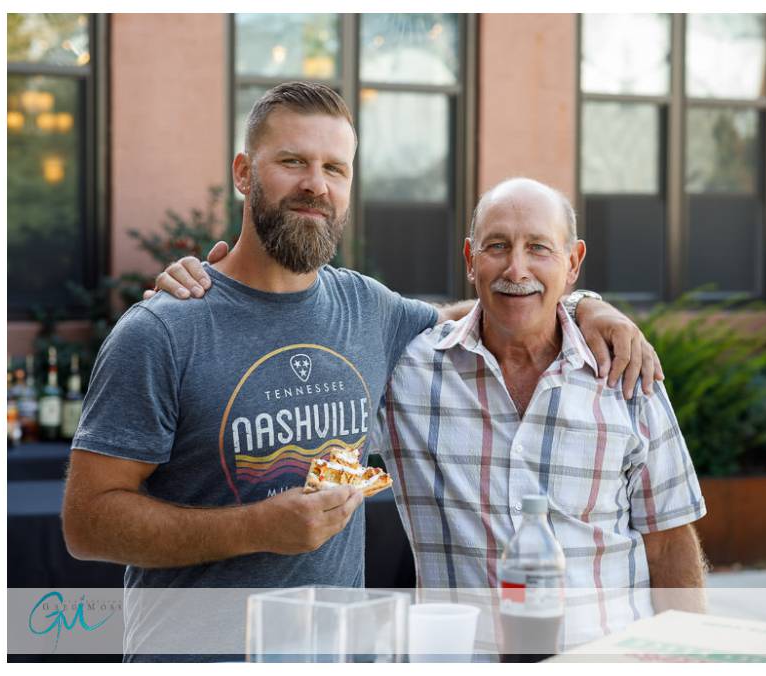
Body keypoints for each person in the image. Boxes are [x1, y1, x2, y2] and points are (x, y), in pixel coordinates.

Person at [62, 82, 661, 660]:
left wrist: (584, 306)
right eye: (292, 162)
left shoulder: (368, 309)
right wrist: (255, 529)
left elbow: (485, 314)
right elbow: (86, 524)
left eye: (335, 168)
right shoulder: (162, 331)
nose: (315, 184)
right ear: (244, 173)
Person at [158, 177, 707, 652]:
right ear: (470, 260)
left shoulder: (625, 373)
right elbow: (292, 350)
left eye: (539, 248)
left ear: (573, 262)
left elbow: (669, 541)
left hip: (604, 658)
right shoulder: (408, 368)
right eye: (497, 246)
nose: (516, 268)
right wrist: (214, 298)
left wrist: (686, 656)